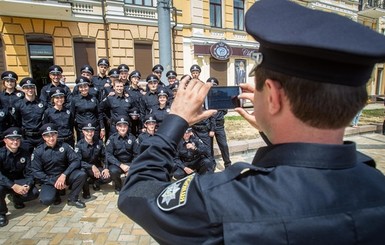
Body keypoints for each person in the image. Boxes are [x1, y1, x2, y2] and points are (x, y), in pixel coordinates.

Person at [118, 0, 385, 243]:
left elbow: (136, 193)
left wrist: (176, 119)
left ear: (274, 96)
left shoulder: (223, 199)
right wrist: (276, 130)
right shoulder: (375, 182)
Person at [31, 123, 87, 209]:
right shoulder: (39, 151)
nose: (51, 138)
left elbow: (76, 160)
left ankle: (73, 198)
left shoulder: (64, 146)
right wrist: (53, 181)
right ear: (43, 137)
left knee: (81, 174)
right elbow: (36, 171)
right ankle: (56, 194)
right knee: (46, 200)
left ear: (57, 135)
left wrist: (64, 175)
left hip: (64, 175)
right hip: (49, 178)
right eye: (48, 136)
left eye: (53, 135)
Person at [0, 127, 39, 227]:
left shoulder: (25, 153)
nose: (15, 141)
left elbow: (30, 172)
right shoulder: (1, 154)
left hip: (19, 181)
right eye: (12, 139)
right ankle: (2, 213)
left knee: (34, 193)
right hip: (4, 182)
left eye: (17, 139)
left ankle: (17, 199)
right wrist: (13, 186)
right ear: (5, 140)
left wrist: (28, 185)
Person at [74, 121, 110, 198]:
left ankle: (96, 183)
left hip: (97, 168)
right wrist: (91, 166)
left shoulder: (99, 143)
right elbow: (78, 161)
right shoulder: (79, 145)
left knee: (108, 176)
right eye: (87, 131)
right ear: (83, 132)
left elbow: (104, 156)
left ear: (94, 132)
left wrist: (106, 168)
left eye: (91, 131)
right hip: (85, 168)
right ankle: (86, 191)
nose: (89, 133)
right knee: (82, 174)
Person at [12, 78, 47, 154]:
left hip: (40, 136)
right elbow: (16, 121)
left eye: (31, 87)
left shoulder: (42, 103)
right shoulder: (19, 104)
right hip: (26, 137)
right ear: (23, 90)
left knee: (43, 157)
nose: (30, 90)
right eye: (27, 88)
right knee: (26, 159)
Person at [105, 116, 138, 194]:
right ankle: (118, 186)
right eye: (120, 126)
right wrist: (120, 165)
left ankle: (129, 185)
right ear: (117, 127)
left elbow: (136, 154)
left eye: (125, 126)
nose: (122, 128)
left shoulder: (132, 138)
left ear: (127, 127)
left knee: (137, 170)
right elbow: (108, 154)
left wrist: (131, 166)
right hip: (117, 163)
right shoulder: (112, 139)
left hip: (129, 163)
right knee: (113, 171)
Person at [206, 77, 232, 168]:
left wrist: (217, 116)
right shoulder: (205, 96)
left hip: (219, 125)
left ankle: (227, 164)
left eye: (214, 85)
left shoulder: (222, 96)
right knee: (209, 147)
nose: (212, 87)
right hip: (208, 126)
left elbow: (225, 110)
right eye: (210, 85)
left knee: (223, 145)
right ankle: (212, 165)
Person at [71, 76, 105, 142]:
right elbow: (72, 115)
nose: (83, 89)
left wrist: (102, 128)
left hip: (94, 128)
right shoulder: (74, 100)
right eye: (81, 87)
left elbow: (99, 114)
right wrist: (72, 130)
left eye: (85, 86)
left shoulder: (94, 98)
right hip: (81, 129)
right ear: (78, 88)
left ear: (88, 87)